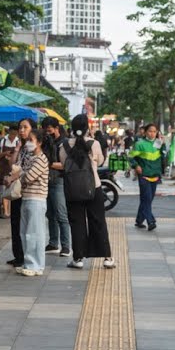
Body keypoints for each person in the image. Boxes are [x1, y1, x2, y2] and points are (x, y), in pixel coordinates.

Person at [58, 114, 114, 270]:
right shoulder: (94, 144)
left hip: (72, 189)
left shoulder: (63, 146)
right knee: (98, 221)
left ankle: (78, 259)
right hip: (93, 188)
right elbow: (100, 161)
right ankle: (107, 258)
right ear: (87, 128)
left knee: (77, 223)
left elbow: (63, 164)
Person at [16, 130, 51, 277]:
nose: (28, 142)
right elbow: (20, 170)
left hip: (36, 199)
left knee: (34, 233)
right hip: (27, 198)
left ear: (39, 142)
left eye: (31, 139)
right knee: (25, 233)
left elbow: (28, 177)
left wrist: (19, 174)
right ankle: (28, 262)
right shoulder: (30, 157)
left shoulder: (41, 159)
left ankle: (35, 265)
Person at [5, 117, 35, 268]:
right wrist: (16, 150)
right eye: (20, 128)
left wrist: (12, 177)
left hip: (29, 191)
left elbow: (26, 170)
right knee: (15, 222)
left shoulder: (34, 147)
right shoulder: (22, 147)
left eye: (25, 127)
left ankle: (25, 256)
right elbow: (13, 165)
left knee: (25, 225)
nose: (21, 130)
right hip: (18, 190)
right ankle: (18, 255)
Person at [41, 116, 72, 258]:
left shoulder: (64, 143)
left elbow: (66, 165)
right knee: (50, 215)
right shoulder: (46, 142)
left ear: (57, 129)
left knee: (61, 214)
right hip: (46, 181)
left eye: (50, 130)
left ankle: (66, 246)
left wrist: (48, 164)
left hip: (58, 181)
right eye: (46, 130)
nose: (48, 133)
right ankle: (53, 243)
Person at [131, 123, 168, 232]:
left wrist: (163, 144)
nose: (152, 133)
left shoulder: (158, 143)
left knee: (147, 200)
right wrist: (136, 165)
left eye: (154, 131)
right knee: (146, 199)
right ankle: (151, 221)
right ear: (145, 132)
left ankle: (139, 220)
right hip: (144, 175)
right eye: (150, 131)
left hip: (155, 175)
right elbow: (131, 157)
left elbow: (163, 155)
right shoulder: (139, 144)